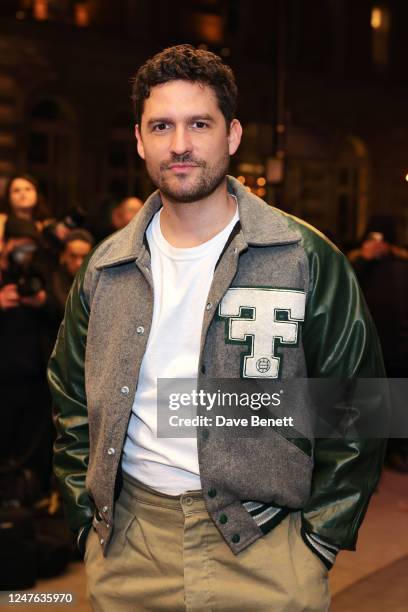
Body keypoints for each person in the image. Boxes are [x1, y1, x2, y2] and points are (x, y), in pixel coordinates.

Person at [48, 45, 386, 611]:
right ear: (140, 140)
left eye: (198, 123)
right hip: (131, 551)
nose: (179, 144)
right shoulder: (106, 266)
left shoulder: (303, 257)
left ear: (231, 135)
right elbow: (69, 397)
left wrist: (318, 539)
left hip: (267, 549)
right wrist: (86, 521)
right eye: (162, 126)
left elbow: (363, 406)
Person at [348, 219, 408, 472]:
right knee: (366, 401)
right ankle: (368, 458)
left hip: (398, 344)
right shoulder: (354, 262)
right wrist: (363, 258)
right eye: (372, 238)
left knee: (398, 398)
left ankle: (397, 451)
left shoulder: (401, 263)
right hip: (364, 344)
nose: (377, 244)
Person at [0, 216, 54, 494]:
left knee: (31, 448)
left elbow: (65, 312)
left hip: (35, 379)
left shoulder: (40, 274)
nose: (25, 255)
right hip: (4, 381)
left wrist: (43, 301)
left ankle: (28, 501)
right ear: (5, 244)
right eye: (19, 248)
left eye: (30, 249)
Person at [50, 229, 94, 320]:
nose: (79, 263)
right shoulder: (53, 279)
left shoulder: (97, 279)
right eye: (73, 256)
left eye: (84, 257)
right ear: (64, 256)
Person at [0, 174, 53, 251]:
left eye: (28, 189)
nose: (23, 194)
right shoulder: (2, 221)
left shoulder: (46, 224)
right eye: (16, 190)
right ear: (8, 197)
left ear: (37, 194)